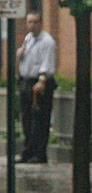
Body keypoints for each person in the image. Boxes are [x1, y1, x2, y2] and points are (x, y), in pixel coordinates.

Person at [16, 12, 57, 164]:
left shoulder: (47, 41)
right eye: (29, 22)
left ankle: (39, 154)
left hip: (40, 83)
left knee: (40, 120)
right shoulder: (28, 38)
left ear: (40, 23)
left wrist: (42, 80)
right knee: (26, 119)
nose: (31, 25)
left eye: (34, 22)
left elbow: (47, 63)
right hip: (26, 82)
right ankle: (29, 151)